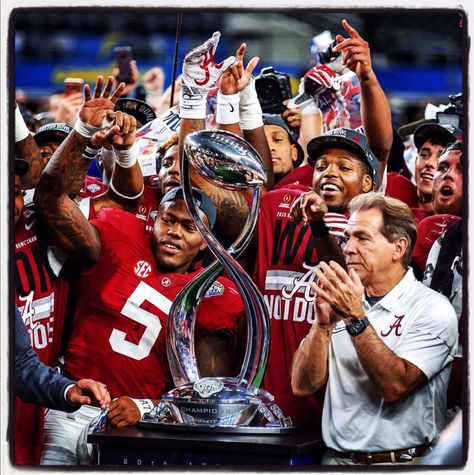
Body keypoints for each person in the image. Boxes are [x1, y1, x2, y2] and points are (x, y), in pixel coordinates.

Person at [34, 75, 245, 465]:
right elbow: (50, 200)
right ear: (155, 218)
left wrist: (146, 409)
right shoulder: (119, 233)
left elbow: (206, 398)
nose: (174, 233)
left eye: (190, 226)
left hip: (135, 424)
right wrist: (83, 132)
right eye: (169, 220)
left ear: (207, 239)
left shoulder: (214, 294)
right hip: (69, 403)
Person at [252, 18, 392, 429]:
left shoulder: (372, 219)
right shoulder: (282, 205)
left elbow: (381, 147)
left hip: (341, 419)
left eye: (344, 166)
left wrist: (365, 76)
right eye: (321, 164)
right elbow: (254, 170)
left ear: (370, 183)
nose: (328, 171)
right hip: (268, 409)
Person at [291, 192, 458, 465]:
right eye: (347, 237)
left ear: (398, 248)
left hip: (402, 464)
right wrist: (321, 326)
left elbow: (395, 386)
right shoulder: (347, 300)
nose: (348, 248)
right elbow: (303, 385)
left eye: (362, 238)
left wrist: (354, 316)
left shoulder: (432, 309)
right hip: (335, 462)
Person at [385, 121, 461, 222]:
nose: (429, 163)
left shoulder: (459, 225)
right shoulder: (391, 185)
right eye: (424, 155)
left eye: (441, 158)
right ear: (416, 160)